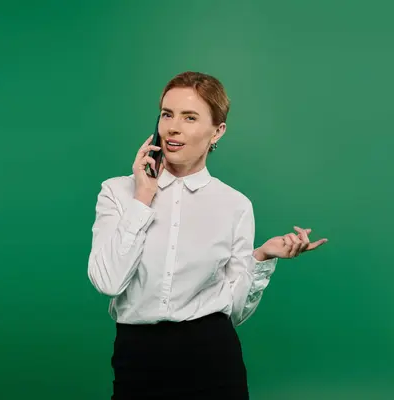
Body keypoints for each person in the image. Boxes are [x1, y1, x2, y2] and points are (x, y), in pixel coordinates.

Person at [87, 71, 328, 399]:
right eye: (167, 114)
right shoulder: (117, 192)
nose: (173, 127)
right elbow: (108, 283)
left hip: (213, 360)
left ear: (217, 131)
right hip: (137, 358)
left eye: (190, 117)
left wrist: (259, 258)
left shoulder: (235, 206)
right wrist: (142, 198)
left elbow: (234, 313)